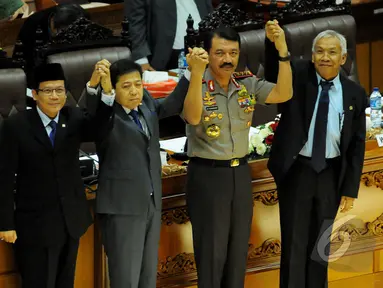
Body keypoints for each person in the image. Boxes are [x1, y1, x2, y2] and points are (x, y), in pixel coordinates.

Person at [86, 49, 208, 287]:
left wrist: (189, 72)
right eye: (126, 86)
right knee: (126, 279)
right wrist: (96, 87)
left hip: (151, 203)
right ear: (113, 89)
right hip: (122, 208)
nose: (134, 91)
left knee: (147, 278)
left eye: (138, 84)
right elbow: (94, 113)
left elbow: (171, 104)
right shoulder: (106, 117)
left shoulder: (146, 104)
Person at [184, 25, 292, 288]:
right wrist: (196, 74)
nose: (228, 59)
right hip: (208, 175)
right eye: (220, 53)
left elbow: (284, 93)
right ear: (207, 54)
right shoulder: (195, 82)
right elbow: (193, 117)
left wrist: (283, 53)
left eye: (233, 52)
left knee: (236, 255)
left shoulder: (246, 83)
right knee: (212, 254)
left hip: (240, 174)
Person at [265, 26, 367, 288]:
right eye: (319, 51)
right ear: (311, 56)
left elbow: (356, 146)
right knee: (294, 244)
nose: (325, 57)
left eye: (332, 52)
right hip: (298, 171)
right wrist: (275, 42)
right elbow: (275, 67)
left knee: (320, 247)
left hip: (330, 175)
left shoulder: (354, 93)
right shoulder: (298, 78)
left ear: (343, 58)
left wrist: (350, 189)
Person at [0, 62, 114, 288]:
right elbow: (3, 177)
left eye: (60, 90)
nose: (55, 96)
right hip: (34, 227)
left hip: (70, 221)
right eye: (48, 90)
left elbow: (99, 128)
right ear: (35, 94)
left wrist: (103, 90)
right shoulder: (16, 125)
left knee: (66, 283)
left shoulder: (72, 117)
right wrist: (5, 224)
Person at [12, 4, 89, 85]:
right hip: (38, 76)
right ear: (52, 20)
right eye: (58, 30)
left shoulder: (82, 19)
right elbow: (21, 59)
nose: (60, 34)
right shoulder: (33, 22)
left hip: (74, 72)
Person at [126, 0, 213, 71]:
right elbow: (136, 23)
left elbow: (209, 12)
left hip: (204, 53)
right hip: (164, 59)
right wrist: (141, 60)